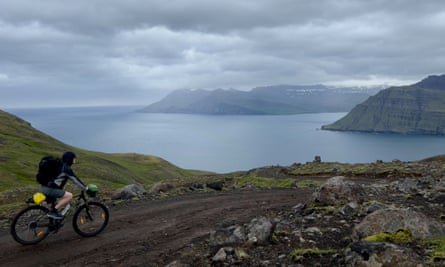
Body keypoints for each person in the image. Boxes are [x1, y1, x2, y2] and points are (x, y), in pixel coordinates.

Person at [41, 151, 87, 219]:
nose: (75, 160)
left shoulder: (59, 165)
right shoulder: (66, 168)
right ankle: (53, 212)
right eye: (74, 158)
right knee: (69, 196)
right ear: (70, 159)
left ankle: (52, 225)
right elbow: (75, 180)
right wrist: (85, 188)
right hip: (50, 189)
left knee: (59, 201)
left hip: (45, 187)